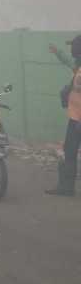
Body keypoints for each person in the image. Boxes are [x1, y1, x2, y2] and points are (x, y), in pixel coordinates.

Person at [46, 35, 81, 196]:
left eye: (73, 47)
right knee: (69, 150)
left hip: (78, 119)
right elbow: (68, 60)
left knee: (70, 151)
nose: (72, 51)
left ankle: (66, 187)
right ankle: (66, 187)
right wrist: (57, 52)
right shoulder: (78, 66)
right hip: (74, 117)